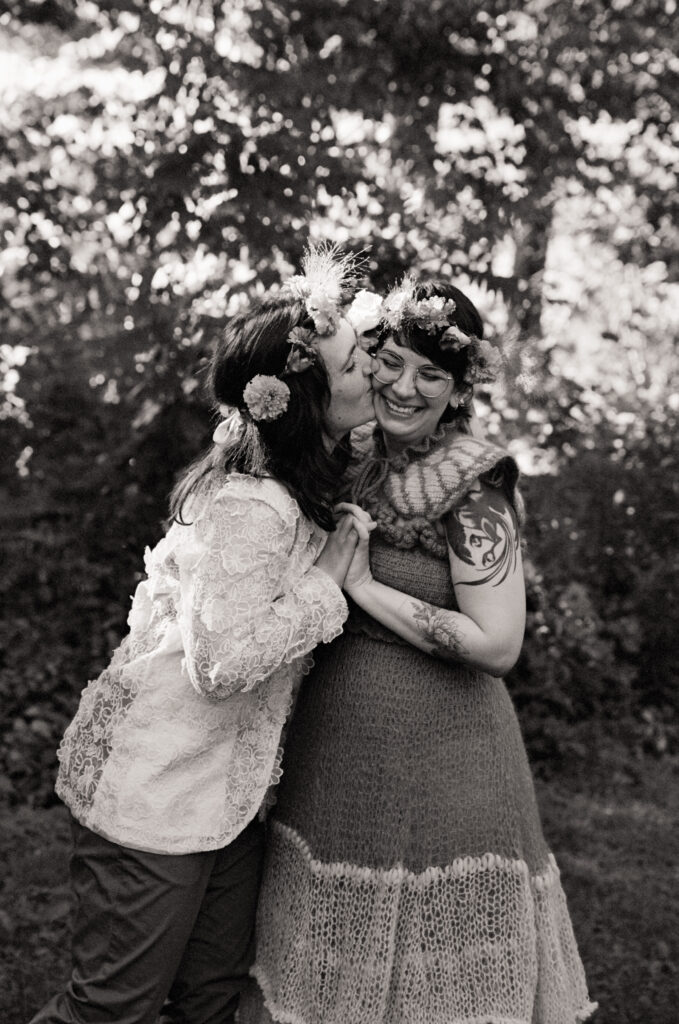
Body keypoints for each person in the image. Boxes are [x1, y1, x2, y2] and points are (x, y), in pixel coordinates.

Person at [29, 245, 382, 1024]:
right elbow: (220, 663)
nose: (372, 374)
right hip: (157, 794)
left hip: (226, 798)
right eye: (354, 364)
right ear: (300, 396)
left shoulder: (294, 487)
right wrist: (328, 582)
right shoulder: (248, 506)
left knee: (212, 1001)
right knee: (112, 1007)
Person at [243, 278, 596, 1024]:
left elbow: (496, 644)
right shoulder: (348, 450)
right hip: (334, 760)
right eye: (393, 361)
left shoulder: (476, 487)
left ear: (459, 386)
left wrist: (363, 587)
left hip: (448, 767)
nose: (404, 388)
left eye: (431, 374)